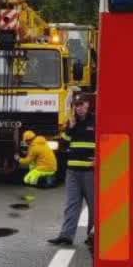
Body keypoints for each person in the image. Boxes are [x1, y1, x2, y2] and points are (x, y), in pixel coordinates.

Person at [50, 93, 97, 248]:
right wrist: (70, 127)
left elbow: (105, 141)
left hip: (90, 171)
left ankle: (93, 236)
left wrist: (100, 159)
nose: (79, 108)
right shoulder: (72, 123)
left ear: (87, 105)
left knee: (93, 205)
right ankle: (66, 236)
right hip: (72, 171)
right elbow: (63, 142)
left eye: (81, 104)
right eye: (76, 105)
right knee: (72, 204)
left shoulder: (96, 121)